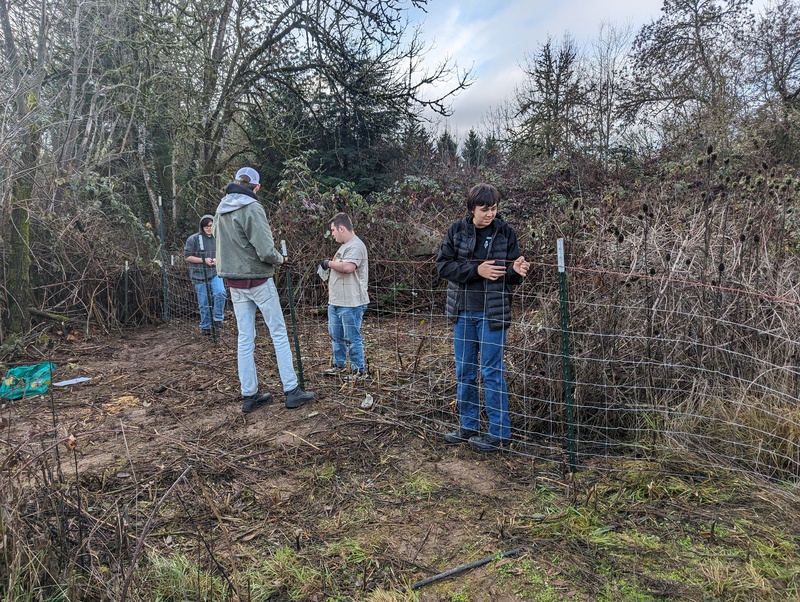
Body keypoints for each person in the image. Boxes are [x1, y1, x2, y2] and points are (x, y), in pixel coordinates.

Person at [435, 183, 530, 452]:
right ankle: (469, 426)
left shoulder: (505, 232)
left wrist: (517, 269)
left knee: (492, 372)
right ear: (472, 208)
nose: (490, 214)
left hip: (493, 314)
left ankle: (499, 433)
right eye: (485, 209)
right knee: (464, 372)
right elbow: (443, 266)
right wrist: (479, 270)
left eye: (494, 209)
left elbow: (511, 272)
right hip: (463, 313)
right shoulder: (456, 230)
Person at [213, 167, 316, 413]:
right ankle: (291, 391)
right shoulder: (252, 207)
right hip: (258, 279)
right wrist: (281, 259)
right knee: (278, 333)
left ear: (236, 182)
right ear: (257, 187)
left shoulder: (220, 209)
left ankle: (250, 395)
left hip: (234, 282)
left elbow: (218, 240)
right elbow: (266, 250)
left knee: (245, 338)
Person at [318, 213, 370, 378]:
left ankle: (358, 371)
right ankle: (338, 365)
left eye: (333, 230)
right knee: (336, 335)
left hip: (351, 302)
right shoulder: (344, 246)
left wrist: (328, 263)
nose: (332, 234)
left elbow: (348, 267)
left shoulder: (356, 246)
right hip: (336, 301)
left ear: (341, 228)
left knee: (351, 337)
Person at [184, 215, 226, 335]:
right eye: (206, 226)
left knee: (220, 293)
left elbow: (224, 253)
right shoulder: (193, 239)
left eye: (211, 225)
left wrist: (217, 260)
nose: (208, 228)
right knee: (204, 303)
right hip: (199, 275)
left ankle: (217, 318)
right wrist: (204, 260)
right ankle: (206, 326)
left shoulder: (218, 238)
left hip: (215, 272)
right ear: (201, 227)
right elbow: (188, 257)